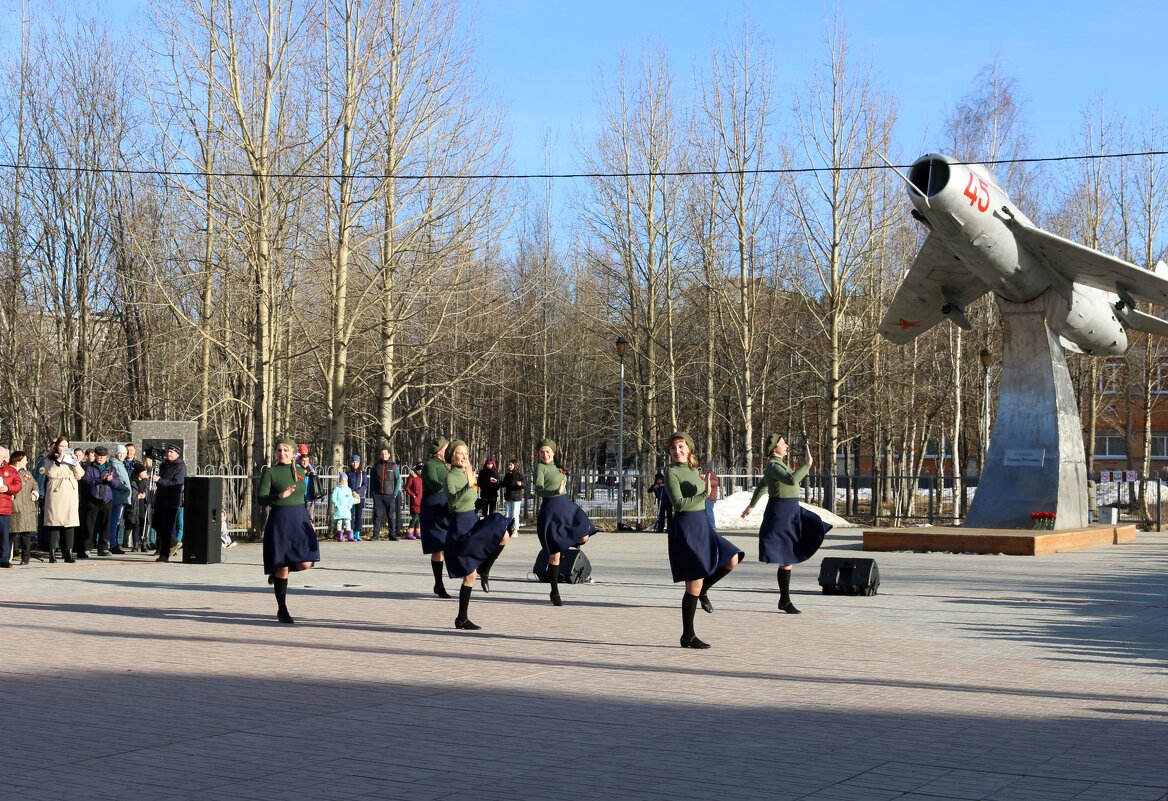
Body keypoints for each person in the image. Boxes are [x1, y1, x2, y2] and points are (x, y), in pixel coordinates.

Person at [665, 433, 743, 649]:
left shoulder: (693, 470)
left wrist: (704, 487)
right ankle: (687, 636)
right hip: (686, 527)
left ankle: (704, 591)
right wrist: (704, 494)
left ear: (689, 449)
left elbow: (701, 492)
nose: (677, 451)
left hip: (702, 525)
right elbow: (679, 504)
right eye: (673, 448)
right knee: (693, 581)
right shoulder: (671, 472)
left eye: (681, 447)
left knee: (733, 558)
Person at [742, 434, 831, 614]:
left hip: (791, 510)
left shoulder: (778, 464)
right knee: (786, 557)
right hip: (781, 513)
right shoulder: (773, 465)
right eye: (783, 443)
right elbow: (791, 480)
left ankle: (784, 600)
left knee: (812, 529)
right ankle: (785, 600)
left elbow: (761, 486)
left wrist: (751, 505)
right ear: (775, 448)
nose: (787, 446)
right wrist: (807, 464)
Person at [443, 440, 511, 629]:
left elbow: (469, 501)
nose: (464, 456)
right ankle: (461, 618)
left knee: (504, 533)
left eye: (466, 453)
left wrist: (478, 502)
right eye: (459, 453)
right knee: (469, 575)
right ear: (452, 457)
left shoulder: (467, 473)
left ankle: (486, 569)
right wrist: (468, 485)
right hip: (460, 527)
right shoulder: (450, 477)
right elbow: (454, 504)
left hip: (472, 520)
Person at [258, 437, 320, 623]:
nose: (282, 453)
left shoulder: (300, 471)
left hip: (299, 519)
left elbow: (304, 497)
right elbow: (261, 498)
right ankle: (282, 610)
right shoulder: (270, 472)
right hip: (280, 521)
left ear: (294, 454)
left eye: (286, 450)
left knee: (306, 562)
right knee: (283, 566)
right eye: (279, 450)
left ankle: (276, 572)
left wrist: (309, 521)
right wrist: (279, 495)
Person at [533, 438, 597, 606]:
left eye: (548, 451)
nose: (545, 454)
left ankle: (566, 542)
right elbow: (538, 489)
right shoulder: (540, 468)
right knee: (555, 556)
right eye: (542, 452)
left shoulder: (559, 468)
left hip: (566, 508)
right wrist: (554, 490)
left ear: (553, 452)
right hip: (551, 512)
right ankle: (554, 592)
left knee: (584, 536)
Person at [420, 437, 453, 597]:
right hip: (433, 508)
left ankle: (441, 583)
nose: (449, 451)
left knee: (448, 544)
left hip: (445, 507)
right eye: (447, 448)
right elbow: (433, 485)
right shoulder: (430, 465)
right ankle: (438, 584)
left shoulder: (444, 465)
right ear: (440, 451)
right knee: (438, 547)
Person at [42, 437, 84, 563]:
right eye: (61, 446)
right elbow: (50, 473)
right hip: (56, 492)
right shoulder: (49, 459)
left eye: (66, 446)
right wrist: (59, 460)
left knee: (70, 523)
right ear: (56, 447)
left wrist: (75, 463)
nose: (64, 448)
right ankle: (52, 552)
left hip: (70, 492)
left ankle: (69, 552)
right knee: (54, 523)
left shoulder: (71, 459)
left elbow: (80, 474)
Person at [79, 446, 122, 558]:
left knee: (105, 524)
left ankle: (103, 547)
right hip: (92, 499)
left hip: (106, 499)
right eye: (99, 456)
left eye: (103, 456)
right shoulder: (89, 467)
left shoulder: (111, 468)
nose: (101, 458)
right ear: (95, 456)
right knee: (89, 524)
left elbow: (117, 483)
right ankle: (87, 547)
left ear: (106, 457)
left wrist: (111, 480)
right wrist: (100, 479)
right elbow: (86, 481)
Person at [152, 443, 187, 562]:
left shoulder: (180, 466)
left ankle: (164, 555)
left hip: (172, 501)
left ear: (177, 453)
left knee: (167, 528)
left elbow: (177, 483)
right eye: (167, 451)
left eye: (171, 452)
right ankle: (174, 542)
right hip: (161, 499)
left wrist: (160, 481)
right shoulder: (164, 465)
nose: (168, 454)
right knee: (156, 524)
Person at [10, 452, 38, 565]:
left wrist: (34, 493)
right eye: (25, 459)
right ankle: (6, 556)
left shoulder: (27, 473)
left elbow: (34, 484)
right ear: (18, 461)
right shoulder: (9, 472)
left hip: (27, 507)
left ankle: (25, 557)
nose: (27, 461)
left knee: (26, 534)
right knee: (11, 533)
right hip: (15, 506)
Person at [369, 447, 400, 540]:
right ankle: (375, 534)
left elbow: (397, 480)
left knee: (391, 515)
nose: (384, 455)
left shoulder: (394, 466)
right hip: (378, 495)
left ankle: (392, 534)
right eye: (382, 454)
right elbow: (373, 480)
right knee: (377, 515)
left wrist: (395, 493)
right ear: (380, 455)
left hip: (390, 495)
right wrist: (373, 493)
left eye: (386, 454)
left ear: (389, 455)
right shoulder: (375, 466)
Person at [0, 447, 24, 568]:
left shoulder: (10, 470)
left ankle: (4, 559)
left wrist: (8, 488)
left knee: (4, 535)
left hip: (4, 508)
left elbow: (18, 485)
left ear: (3, 457)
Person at [107, 444, 131, 553]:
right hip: (117, 496)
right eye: (119, 453)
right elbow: (118, 480)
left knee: (115, 521)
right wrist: (126, 488)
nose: (121, 455)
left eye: (123, 453)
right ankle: (111, 543)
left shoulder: (120, 464)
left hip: (120, 496)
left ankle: (113, 543)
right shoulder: (115, 464)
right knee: (114, 521)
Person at [345, 454, 368, 541]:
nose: (355, 464)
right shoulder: (348, 473)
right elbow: (345, 484)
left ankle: (357, 533)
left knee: (359, 516)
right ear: (351, 463)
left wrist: (358, 491)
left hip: (360, 497)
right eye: (353, 462)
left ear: (359, 463)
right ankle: (350, 533)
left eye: (357, 462)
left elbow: (365, 484)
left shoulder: (363, 473)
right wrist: (351, 492)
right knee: (350, 516)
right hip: (350, 497)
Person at [500, 458, 524, 537]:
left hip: (516, 498)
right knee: (507, 514)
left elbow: (525, 484)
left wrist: (521, 484)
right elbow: (504, 484)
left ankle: (515, 530)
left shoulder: (519, 474)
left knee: (514, 514)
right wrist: (496, 481)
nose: (509, 466)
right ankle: (508, 530)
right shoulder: (508, 475)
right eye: (509, 465)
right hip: (508, 497)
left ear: (515, 465)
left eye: (511, 465)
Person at [331, 473, 357, 542]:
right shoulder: (337, 489)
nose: (343, 482)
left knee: (347, 521)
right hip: (339, 509)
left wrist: (349, 505)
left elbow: (351, 499)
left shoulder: (348, 489)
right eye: (342, 480)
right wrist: (337, 504)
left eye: (345, 480)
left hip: (346, 509)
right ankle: (340, 536)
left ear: (347, 481)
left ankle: (349, 537)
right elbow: (333, 498)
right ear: (339, 480)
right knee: (339, 522)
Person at [403, 463, 423, 540]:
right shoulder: (412, 476)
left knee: (418, 515)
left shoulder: (422, 477)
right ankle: (409, 532)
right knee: (415, 515)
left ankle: (417, 532)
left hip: (421, 498)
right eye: (418, 469)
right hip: (415, 499)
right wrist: (413, 495)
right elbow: (407, 488)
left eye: (421, 469)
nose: (420, 471)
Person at [700, 460, 720, 533]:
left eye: (705, 467)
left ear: (708, 468)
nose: (704, 468)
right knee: (706, 512)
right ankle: (708, 527)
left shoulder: (711, 474)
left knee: (708, 512)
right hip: (708, 497)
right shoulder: (708, 474)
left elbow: (715, 482)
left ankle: (712, 527)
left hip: (710, 497)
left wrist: (706, 482)